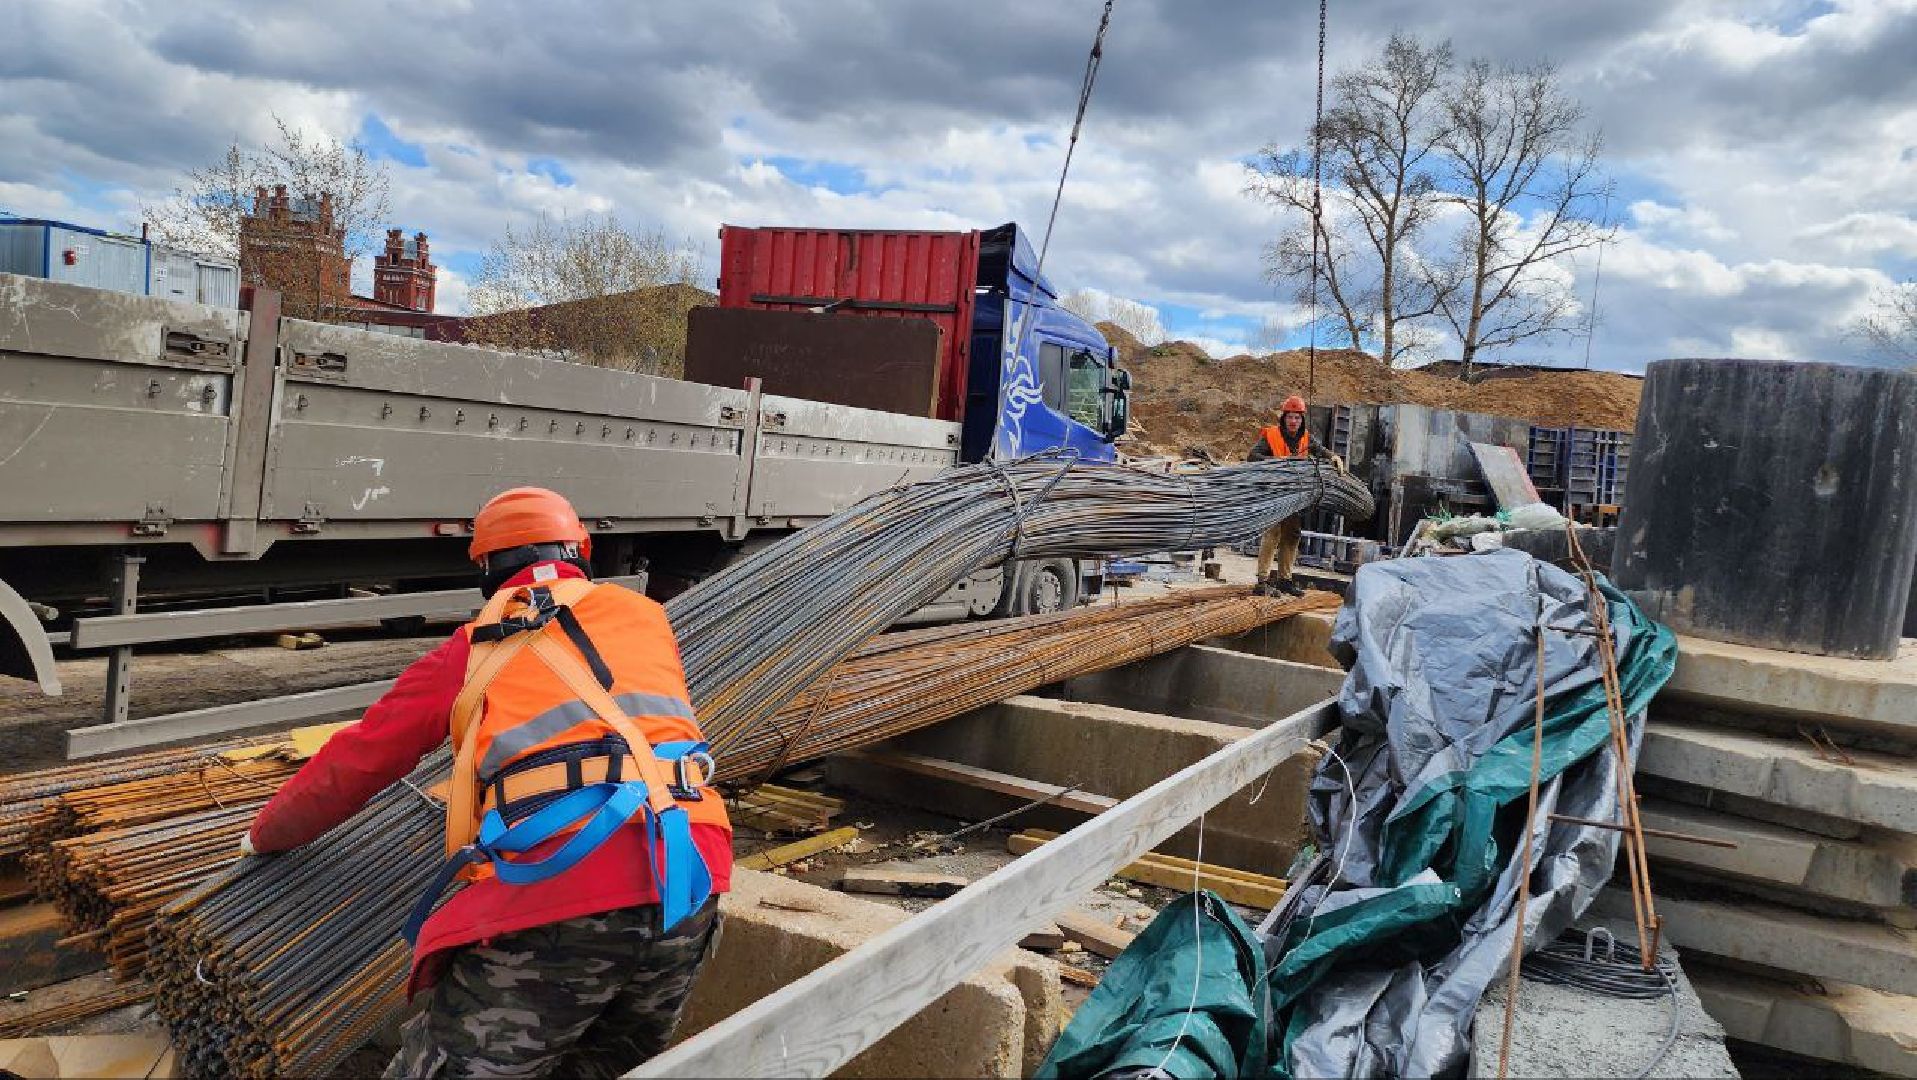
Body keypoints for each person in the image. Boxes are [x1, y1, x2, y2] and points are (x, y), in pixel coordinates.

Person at [242, 487, 731, 1080]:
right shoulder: (646, 619)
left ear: (487, 568)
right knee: (605, 1067)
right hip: (691, 877)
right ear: (583, 548)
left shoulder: (475, 648)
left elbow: (360, 759)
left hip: (565, 888)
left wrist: (266, 834)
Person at [1246, 395, 1344, 596]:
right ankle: (1262, 581)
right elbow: (1252, 456)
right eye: (1290, 417)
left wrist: (1333, 457)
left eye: (1297, 418)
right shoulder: (1271, 435)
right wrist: (1278, 462)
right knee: (1272, 534)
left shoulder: (1306, 438)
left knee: (1292, 535)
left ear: (1302, 420)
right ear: (1284, 418)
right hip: (1275, 494)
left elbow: (1321, 450)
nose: (1293, 421)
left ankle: (1285, 580)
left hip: (1295, 496)